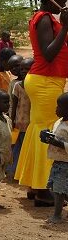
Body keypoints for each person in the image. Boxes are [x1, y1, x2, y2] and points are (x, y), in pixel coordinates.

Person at [15, 0, 68, 207]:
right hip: (45, 80)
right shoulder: (45, 18)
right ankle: (44, 190)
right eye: (63, 0)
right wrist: (65, 27)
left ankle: (34, 185)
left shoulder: (47, 18)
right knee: (49, 131)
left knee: (40, 128)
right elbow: (48, 54)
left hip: (46, 80)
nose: (64, 4)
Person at [41, 93, 68, 223]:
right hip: (58, 162)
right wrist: (48, 136)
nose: (56, 109)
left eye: (59, 106)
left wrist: (57, 143)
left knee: (59, 190)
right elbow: (57, 136)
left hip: (65, 164)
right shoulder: (59, 122)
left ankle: (57, 215)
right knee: (60, 188)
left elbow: (61, 142)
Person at [8, 57, 33, 180]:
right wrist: (11, 120)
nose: (23, 71)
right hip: (18, 123)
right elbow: (14, 103)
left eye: (27, 69)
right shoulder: (17, 86)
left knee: (25, 150)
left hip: (30, 124)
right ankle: (13, 173)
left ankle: (23, 175)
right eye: (22, 68)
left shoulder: (34, 86)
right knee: (16, 149)